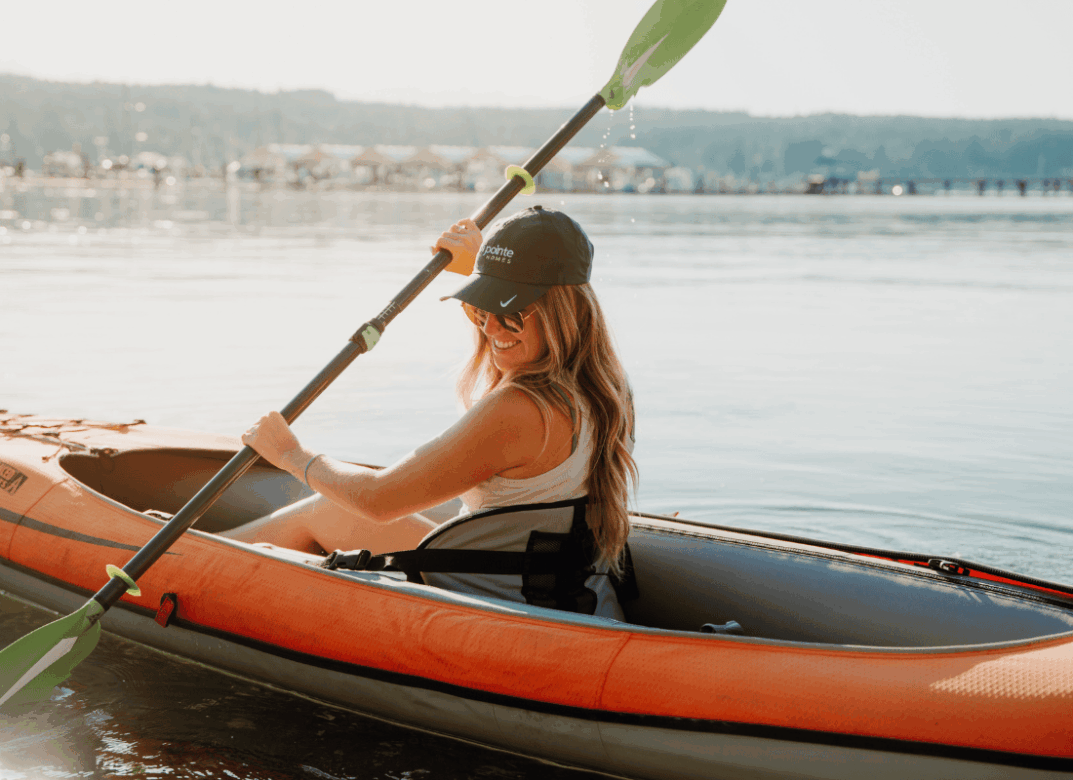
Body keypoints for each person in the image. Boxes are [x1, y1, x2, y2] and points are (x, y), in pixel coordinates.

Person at [223, 206, 637, 619]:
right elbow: (523, 326)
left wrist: (290, 454)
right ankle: (193, 547)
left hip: (505, 602)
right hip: (560, 587)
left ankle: (184, 556)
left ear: (567, 314)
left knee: (328, 510)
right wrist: (481, 272)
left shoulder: (521, 409)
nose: (491, 329)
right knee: (327, 510)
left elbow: (378, 499)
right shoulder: (608, 387)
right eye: (480, 309)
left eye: (510, 315)